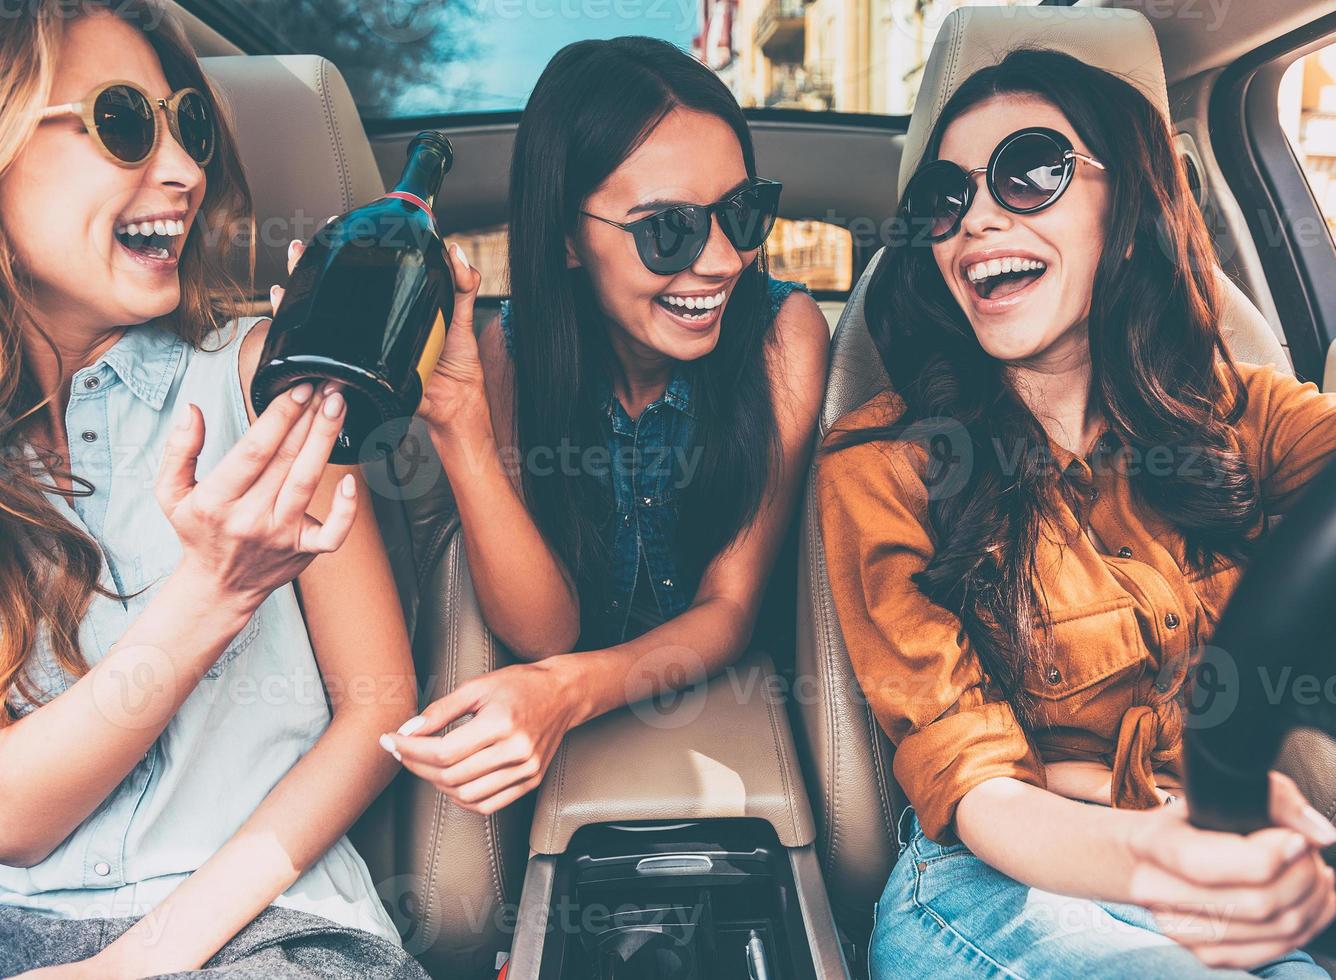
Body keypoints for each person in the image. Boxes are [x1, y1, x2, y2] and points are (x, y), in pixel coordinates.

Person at [818, 48, 1336, 978]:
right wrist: (1165, 857)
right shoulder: (884, 463)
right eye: (943, 200)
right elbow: (976, 789)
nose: (978, 220)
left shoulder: (1233, 411)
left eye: (1030, 172)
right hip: (995, 885)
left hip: (1206, 871)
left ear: (1127, 206)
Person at [0, 3, 434, 975]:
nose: (187, 171)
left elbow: (378, 708)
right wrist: (212, 592)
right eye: (123, 122)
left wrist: (136, 961)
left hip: (269, 925)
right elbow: (11, 818)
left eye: (188, 126)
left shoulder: (264, 377)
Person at [372, 37, 829, 817]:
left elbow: (729, 606)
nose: (721, 261)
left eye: (741, 214)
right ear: (565, 240)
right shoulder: (511, 353)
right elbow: (545, 632)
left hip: (743, 712)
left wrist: (566, 692)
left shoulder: (784, 333)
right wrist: (457, 424)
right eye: (669, 230)